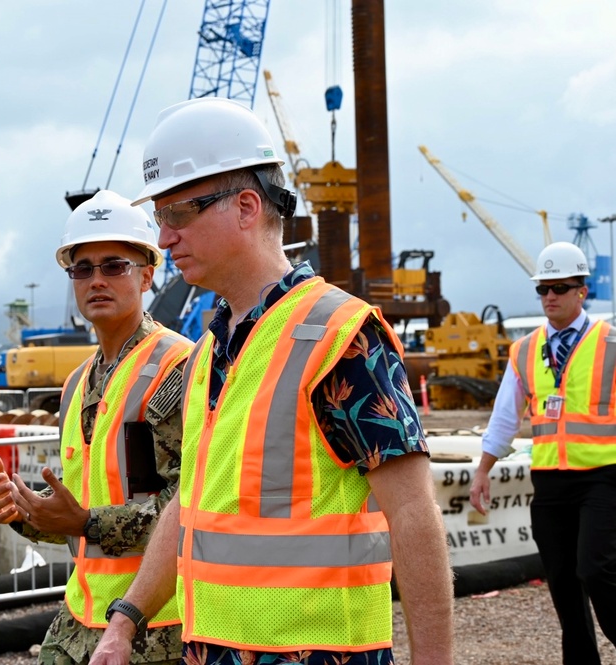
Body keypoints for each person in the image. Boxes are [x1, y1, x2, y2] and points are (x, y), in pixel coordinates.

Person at [90, 97, 454, 665]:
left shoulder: (339, 333)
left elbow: (411, 511)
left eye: (178, 214)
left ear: (245, 206)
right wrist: (127, 619)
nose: (164, 238)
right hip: (213, 651)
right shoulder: (212, 348)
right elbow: (193, 503)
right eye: (160, 218)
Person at [0, 189, 192, 665]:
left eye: (113, 265)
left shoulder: (181, 367)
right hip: (82, 612)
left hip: (160, 625)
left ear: (147, 275)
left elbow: (193, 507)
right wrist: (24, 512)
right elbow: (79, 515)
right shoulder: (77, 384)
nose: (96, 280)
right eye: (83, 268)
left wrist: (85, 523)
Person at [469, 241, 616, 664]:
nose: (550, 296)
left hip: (603, 478)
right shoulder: (526, 350)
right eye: (543, 288)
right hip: (550, 483)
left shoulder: (610, 343)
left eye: (560, 287)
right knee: (564, 585)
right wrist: (483, 470)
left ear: (581, 292)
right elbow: (504, 417)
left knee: (597, 570)